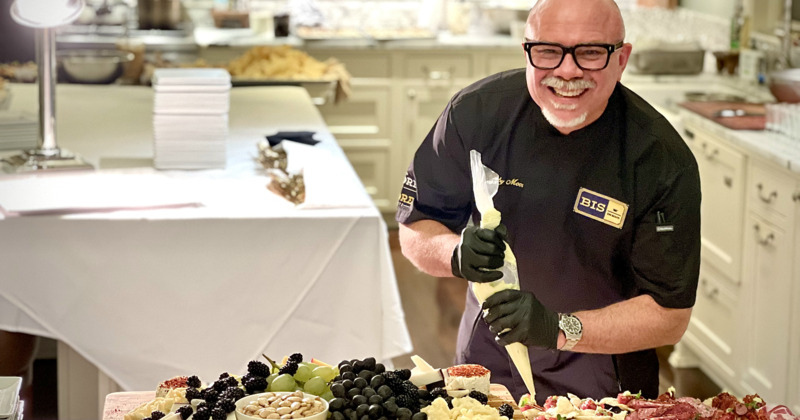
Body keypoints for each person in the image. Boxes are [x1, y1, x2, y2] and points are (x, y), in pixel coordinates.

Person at [395, 0, 701, 404]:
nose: (567, 70)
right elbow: (415, 228)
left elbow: (669, 317)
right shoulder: (476, 113)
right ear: (526, 50)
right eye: (548, 51)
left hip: (604, 383)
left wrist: (559, 328)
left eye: (591, 52)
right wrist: (455, 254)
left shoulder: (659, 158)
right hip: (488, 365)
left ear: (621, 58)